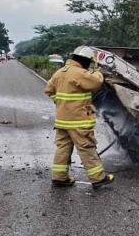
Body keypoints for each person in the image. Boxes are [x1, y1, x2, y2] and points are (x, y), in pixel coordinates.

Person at [44, 46, 113, 189]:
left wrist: (61, 103)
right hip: (78, 120)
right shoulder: (79, 73)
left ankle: (59, 177)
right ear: (86, 60)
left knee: (63, 148)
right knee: (86, 147)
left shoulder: (60, 72)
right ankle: (98, 178)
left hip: (62, 121)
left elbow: (48, 90)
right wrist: (98, 72)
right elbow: (96, 83)